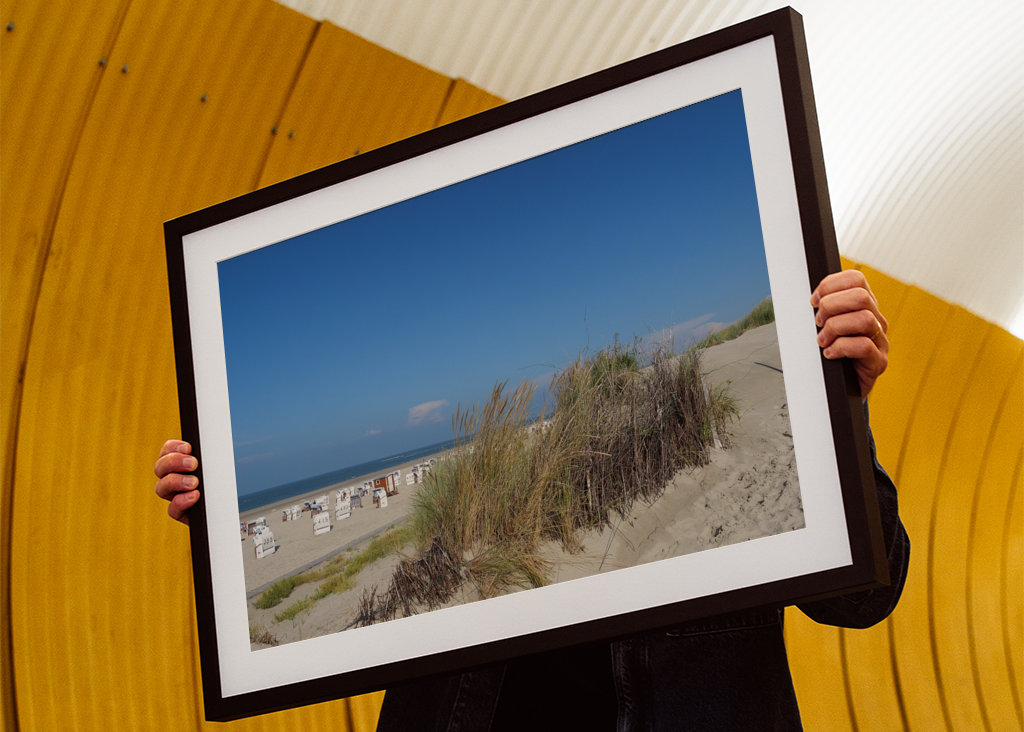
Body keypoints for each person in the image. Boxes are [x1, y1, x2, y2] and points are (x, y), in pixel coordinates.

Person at [155, 270, 908, 730]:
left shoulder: (721, 420)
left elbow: (866, 596)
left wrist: (840, 404)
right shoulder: (492, 507)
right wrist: (219, 519)